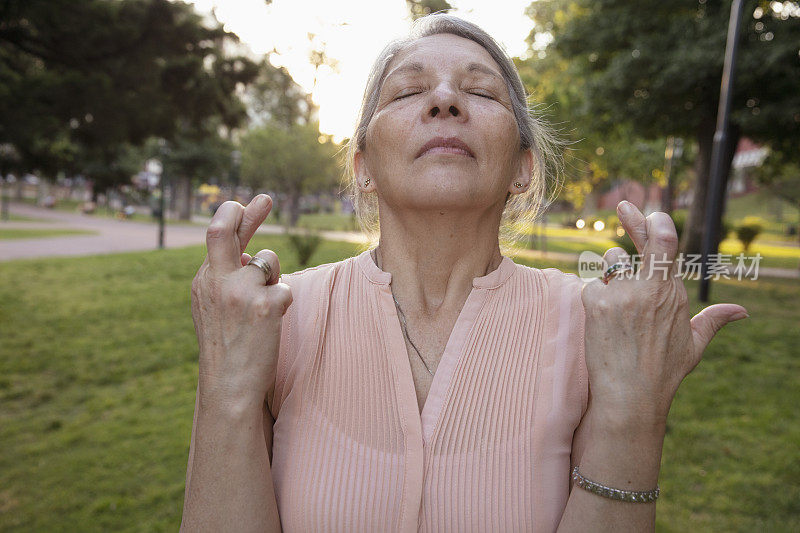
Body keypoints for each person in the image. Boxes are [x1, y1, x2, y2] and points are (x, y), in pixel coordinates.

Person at [179, 14, 748, 532]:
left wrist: (634, 409)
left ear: (524, 168)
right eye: (408, 90)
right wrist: (225, 382)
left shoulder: (598, 327)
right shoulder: (273, 319)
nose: (445, 101)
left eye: (479, 90)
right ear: (364, 167)